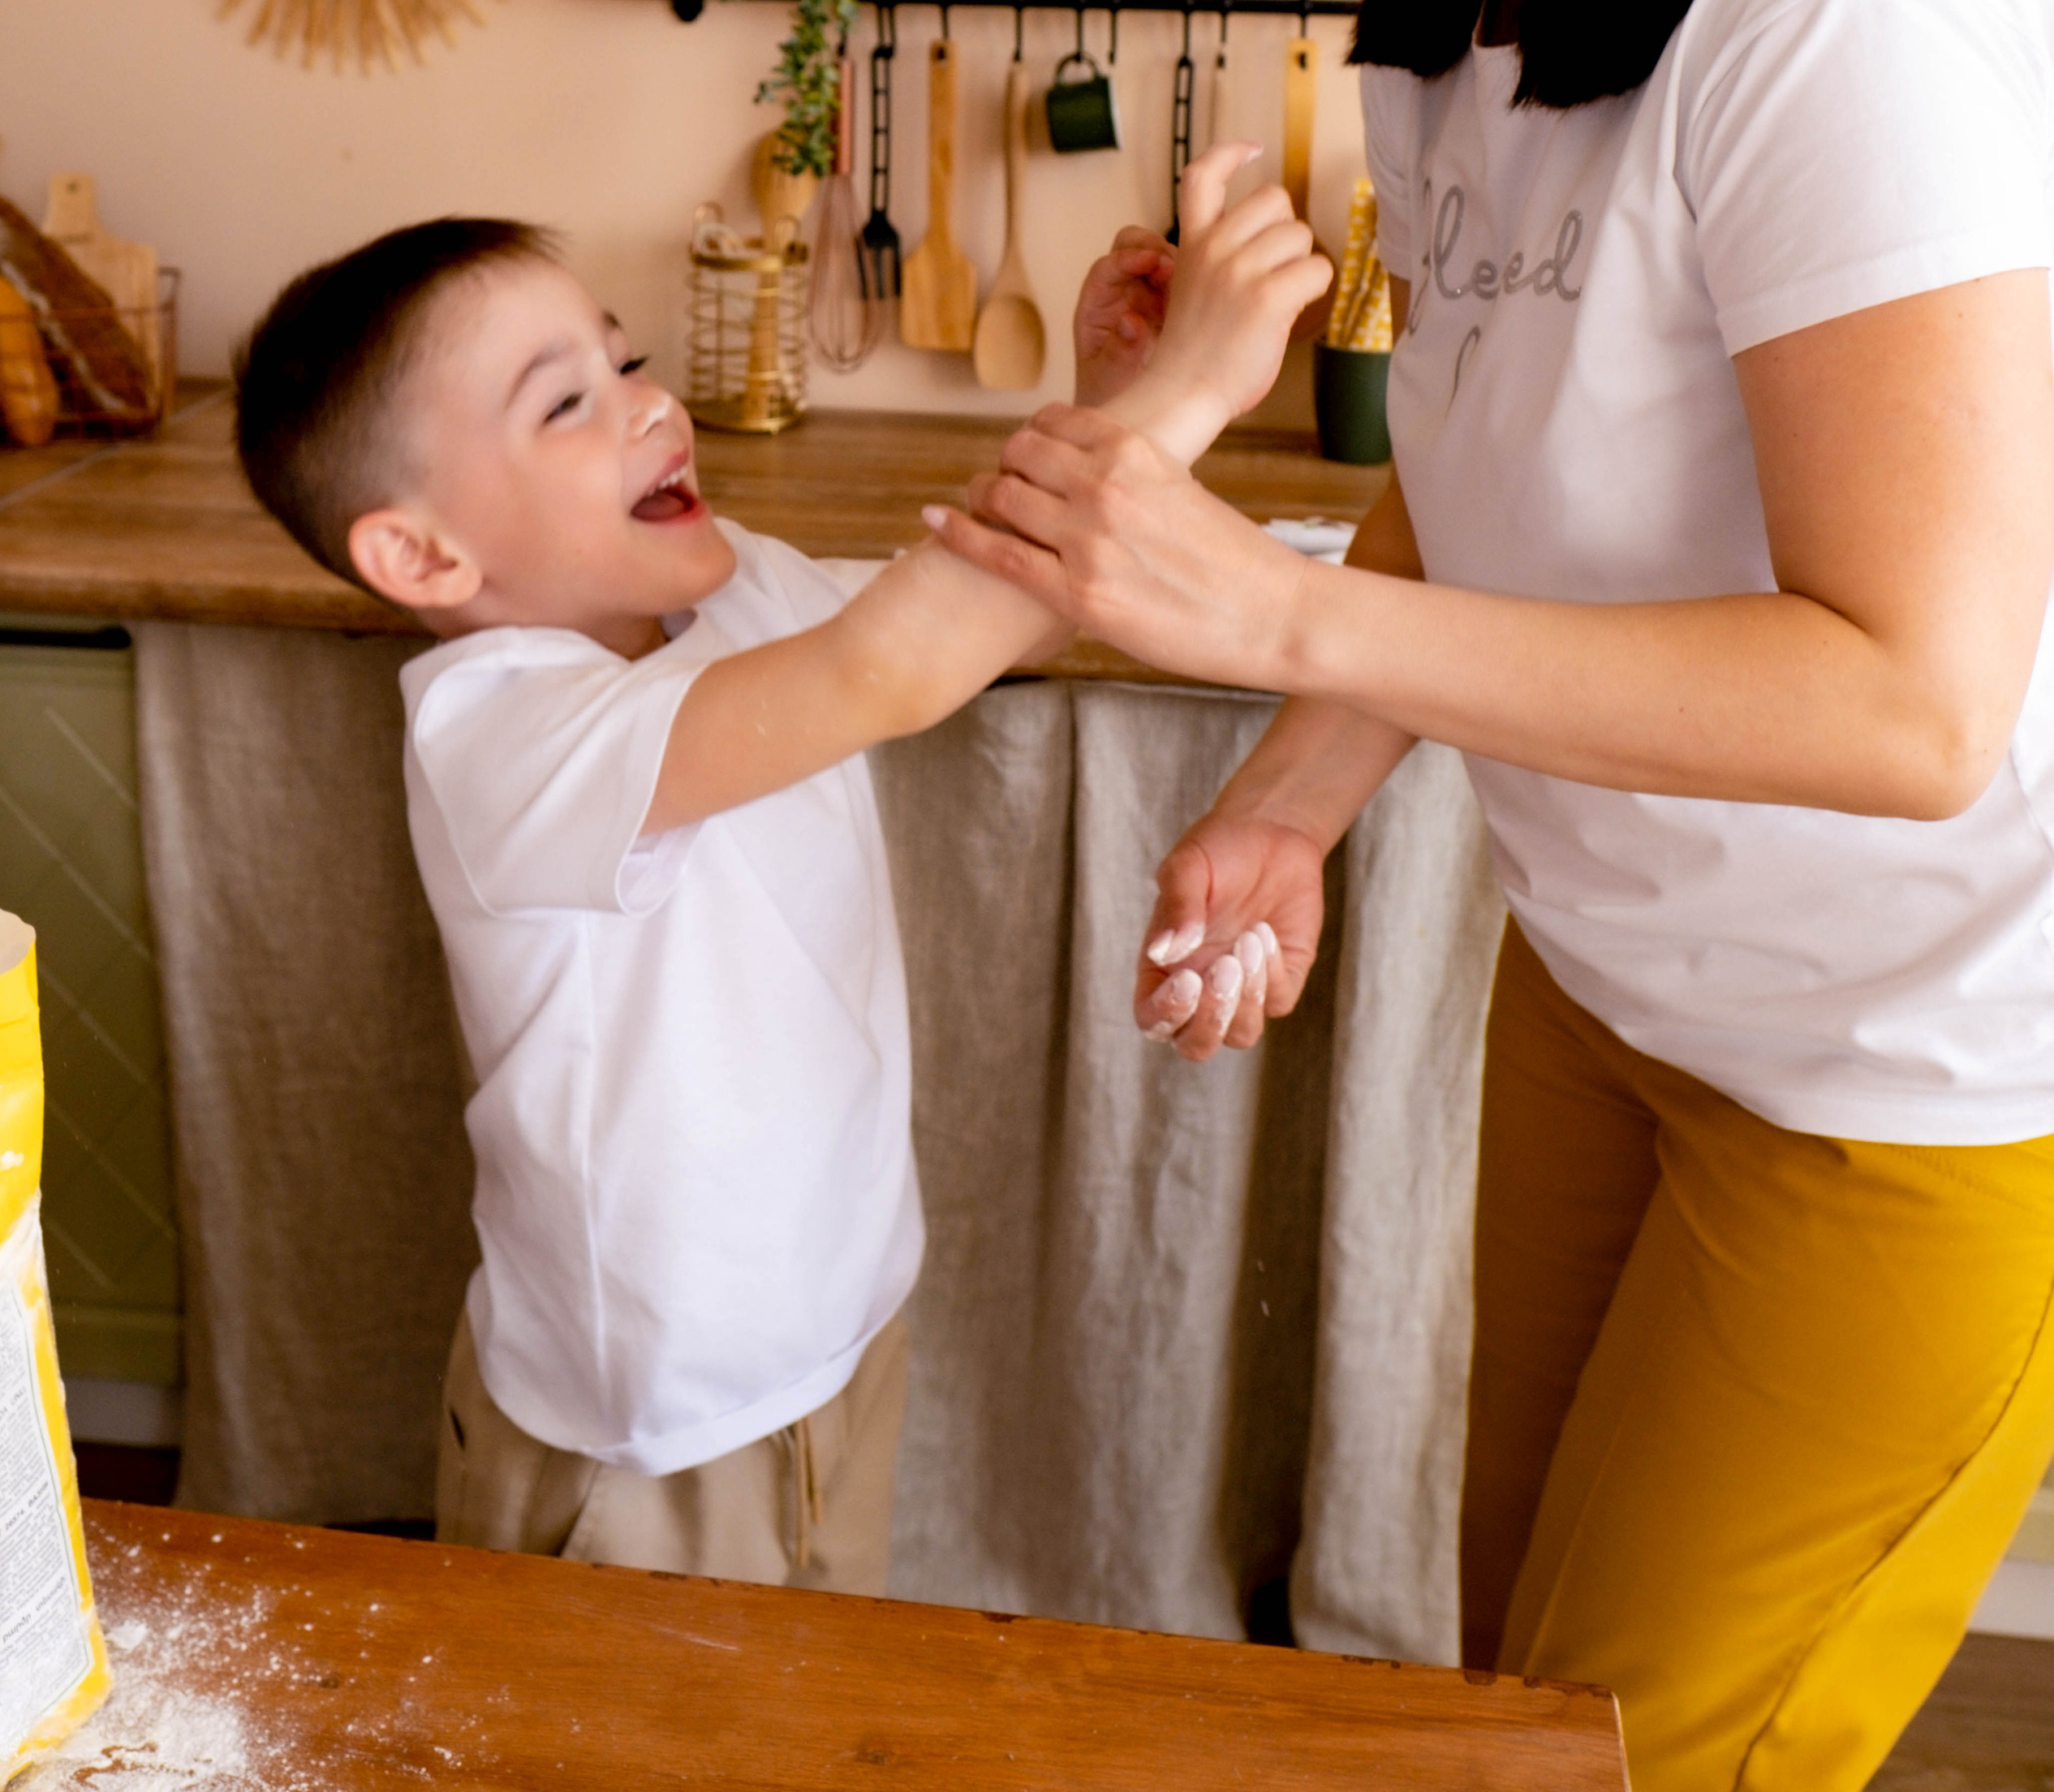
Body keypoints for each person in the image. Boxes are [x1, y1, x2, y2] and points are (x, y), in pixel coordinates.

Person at [928, 0, 2054, 1792]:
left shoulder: (1841, 8)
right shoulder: (1467, 9)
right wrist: (1291, 794)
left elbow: (1913, 700)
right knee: (1497, 1726)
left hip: (1905, 1081)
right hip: (1623, 996)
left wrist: (1274, 606)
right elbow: (1504, 463)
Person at [230, 149, 1327, 1596]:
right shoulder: (500, 735)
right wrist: (1189, 393)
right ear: (422, 556)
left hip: (836, 1334)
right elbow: (897, 665)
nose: (650, 403)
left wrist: (1111, 407)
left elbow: (984, 620)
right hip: (648, 1443)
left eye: (623, 361)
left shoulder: (730, 583)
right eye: (567, 402)